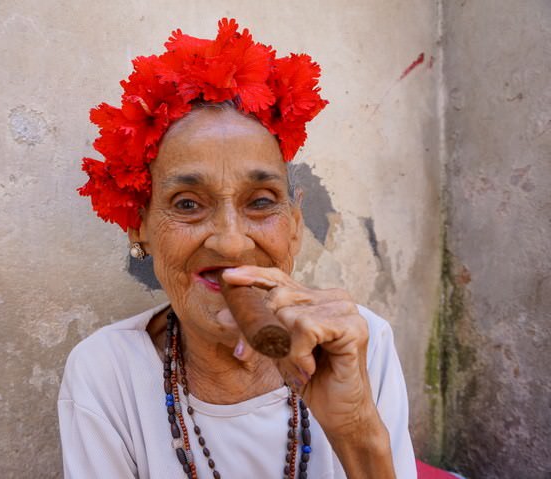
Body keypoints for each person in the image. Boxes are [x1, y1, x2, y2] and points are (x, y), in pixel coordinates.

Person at [59, 19, 416, 478]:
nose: (230, 240)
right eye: (187, 204)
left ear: (294, 225)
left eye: (261, 202)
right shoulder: (106, 372)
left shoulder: (361, 341)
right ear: (139, 229)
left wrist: (356, 431)